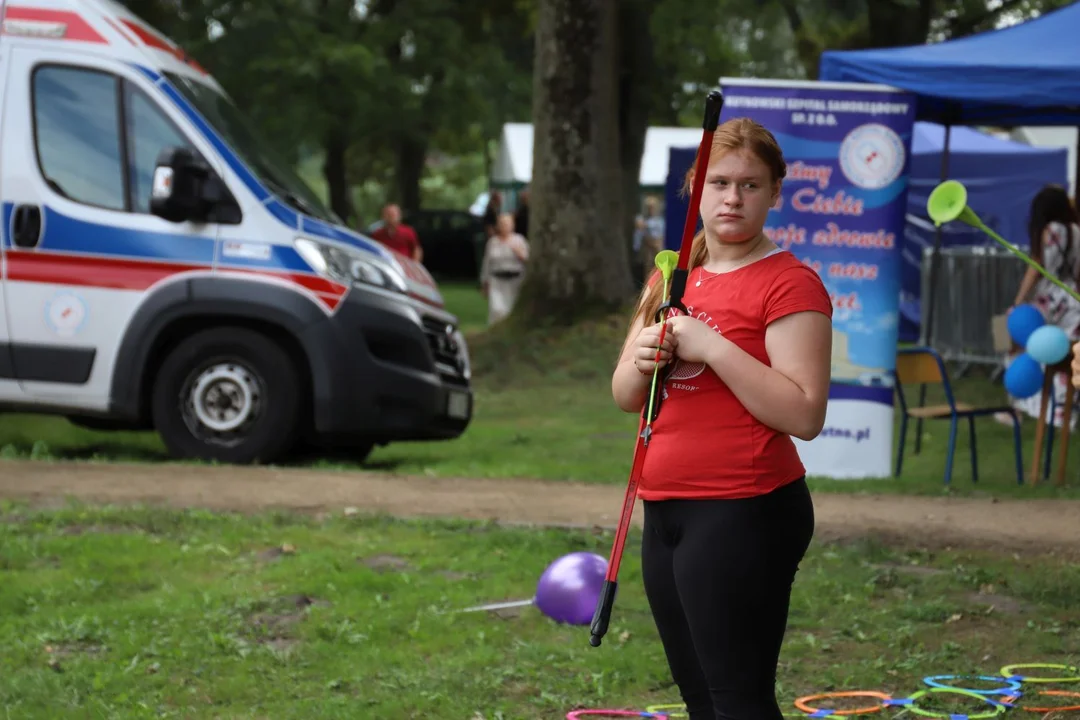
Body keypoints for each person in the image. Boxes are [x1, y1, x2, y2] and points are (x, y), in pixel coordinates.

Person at [610, 117, 833, 720]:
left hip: (745, 508)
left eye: (750, 185)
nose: (732, 198)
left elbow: (804, 412)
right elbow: (627, 394)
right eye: (719, 183)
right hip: (666, 509)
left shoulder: (789, 282)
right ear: (695, 190)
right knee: (700, 699)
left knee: (738, 701)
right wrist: (642, 357)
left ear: (774, 193)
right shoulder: (672, 275)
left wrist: (711, 347)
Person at [1001, 185, 1080, 427]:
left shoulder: (1049, 231)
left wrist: (1017, 302)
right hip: (1073, 301)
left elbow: (1036, 268)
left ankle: (1014, 405)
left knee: (1010, 340)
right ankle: (1064, 414)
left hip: (1049, 299)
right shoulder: (1077, 231)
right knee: (1065, 360)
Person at [479, 212, 529, 325]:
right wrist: (485, 282)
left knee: (511, 309)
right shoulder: (493, 242)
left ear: (513, 225)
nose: (504, 226)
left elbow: (528, 259)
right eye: (501, 224)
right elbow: (487, 263)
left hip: (515, 280)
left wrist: (520, 254)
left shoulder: (519, 240)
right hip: (497, 280)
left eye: (507, 223)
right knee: (497, 310)